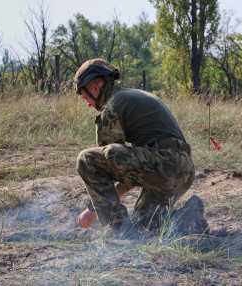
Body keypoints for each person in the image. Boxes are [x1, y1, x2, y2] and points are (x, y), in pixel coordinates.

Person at [75, 58, 195, 237]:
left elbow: (108, 164)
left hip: (163, 165)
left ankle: (116, 229)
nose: (88, 103)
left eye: (86, 97)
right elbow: (131, 171)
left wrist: (92, 209)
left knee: (87, 160)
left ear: (95, 87)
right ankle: (191, 217)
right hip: (182, 172)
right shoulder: (132, 95)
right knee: (143, 230)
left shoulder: (113, 106)